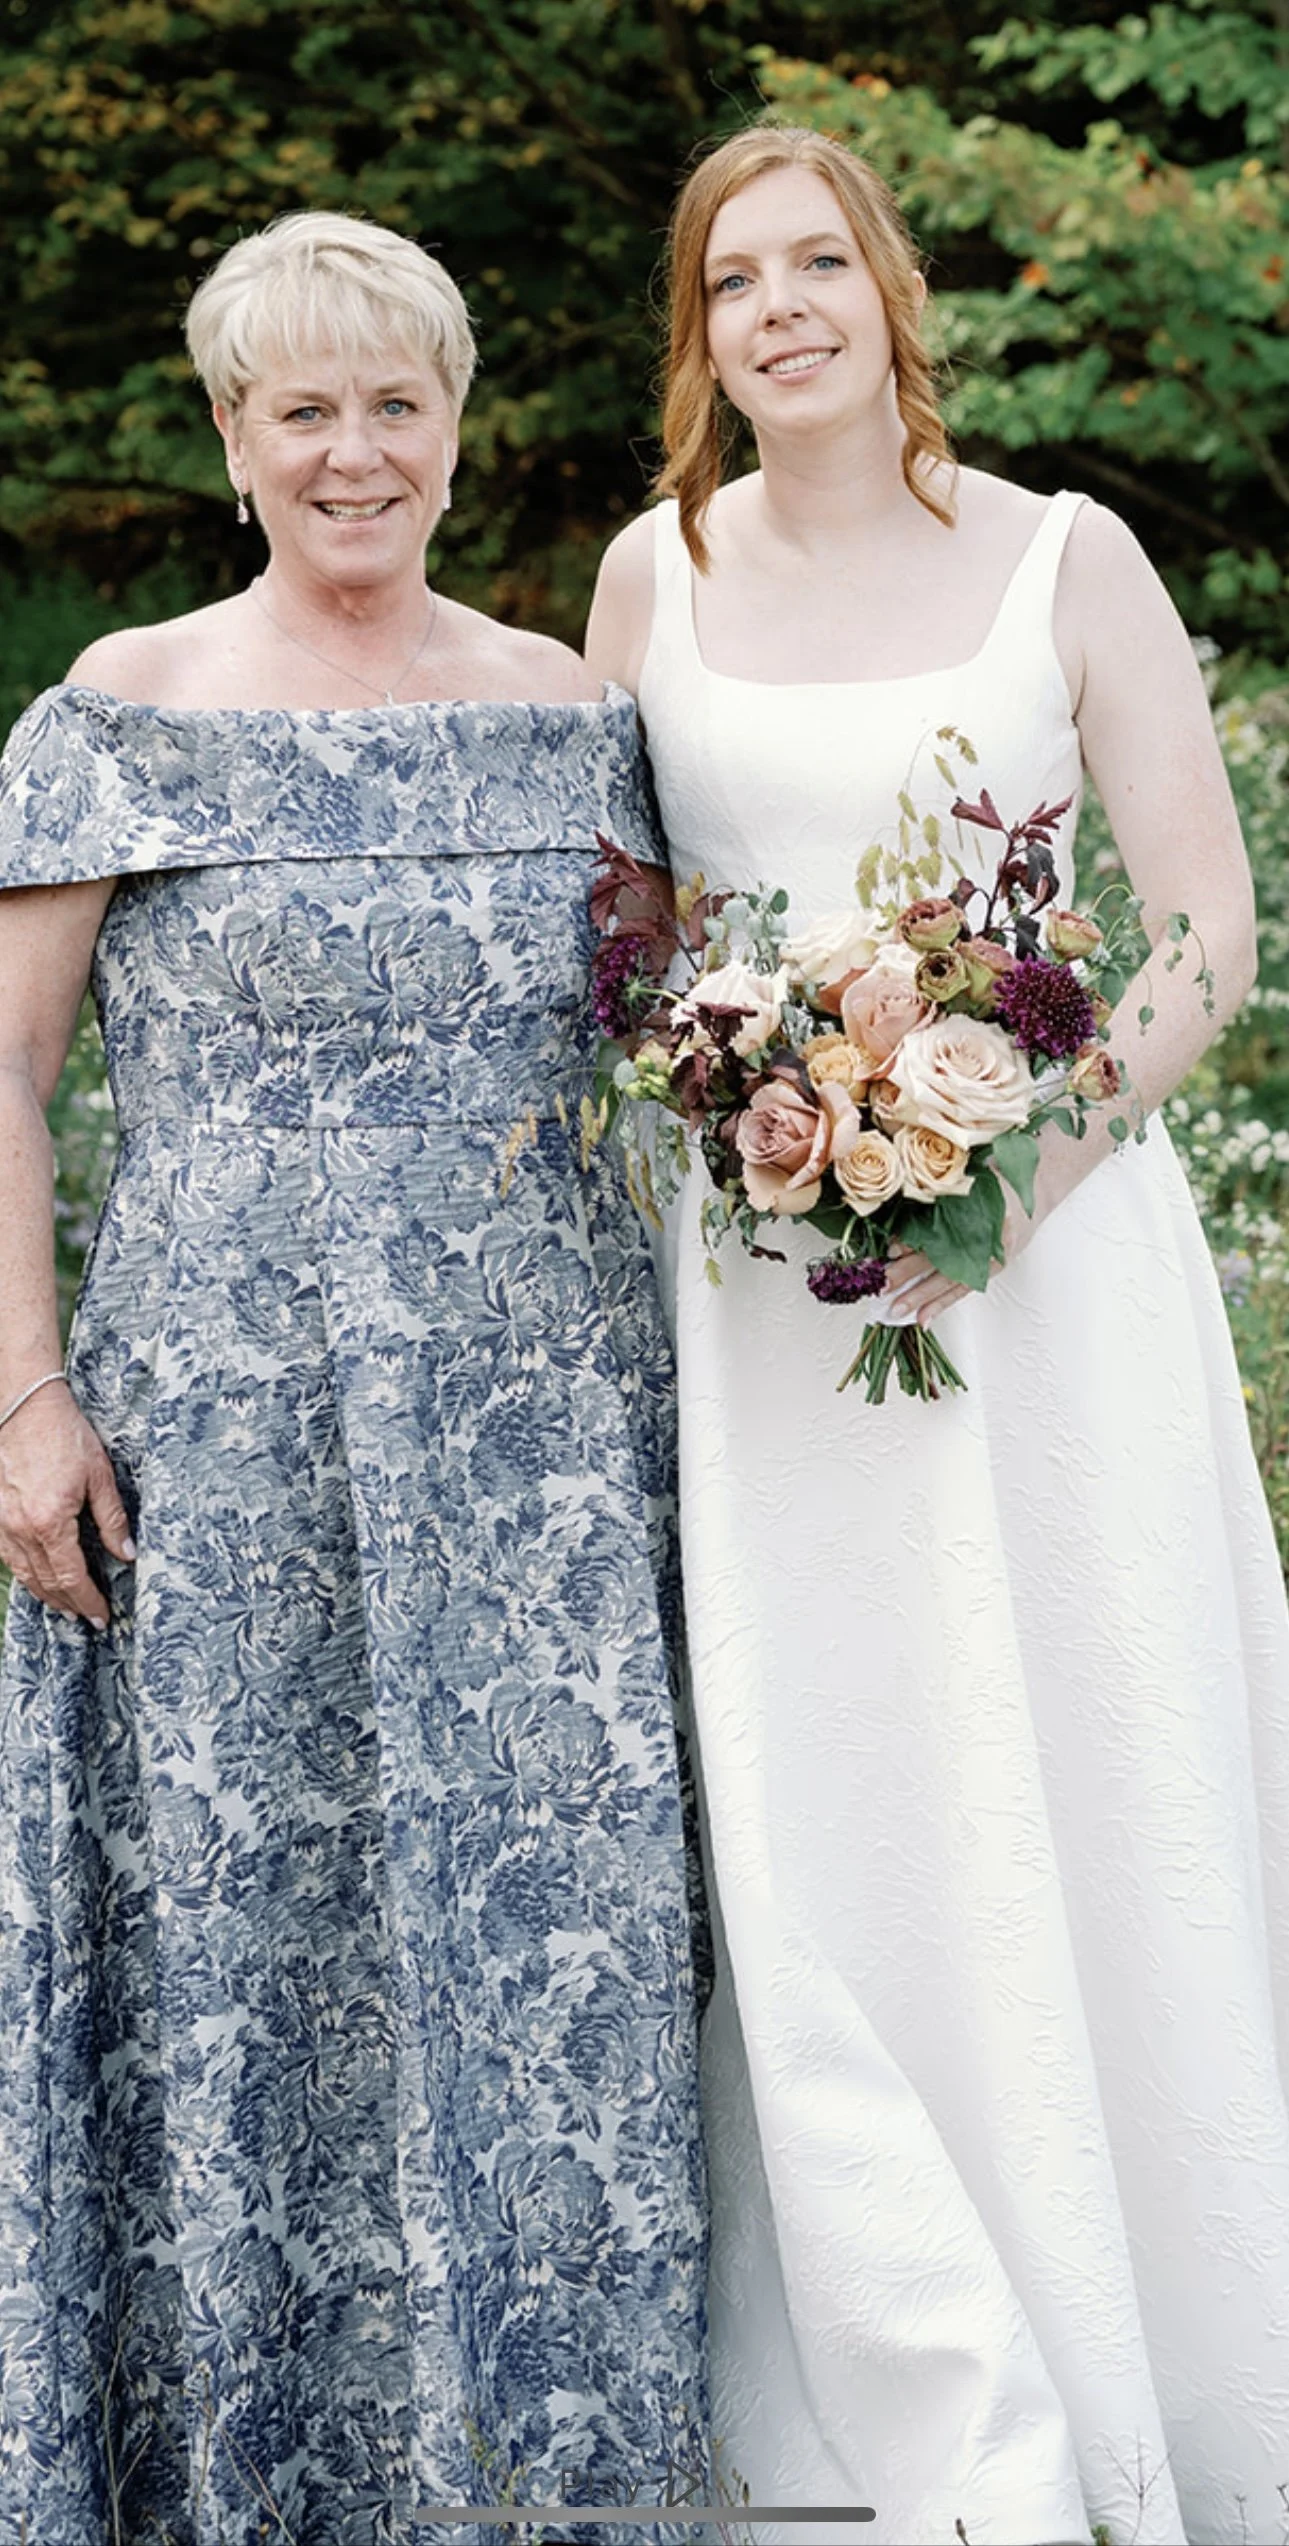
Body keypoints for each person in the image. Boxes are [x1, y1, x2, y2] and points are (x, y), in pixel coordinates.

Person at [586, 123, 1289, 2546]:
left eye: (812, 263)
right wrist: (743, 1090)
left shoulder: (1063, 559)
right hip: (773, 1291)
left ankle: (1155, 2323)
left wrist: (1025, 1164)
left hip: (1045, 1262)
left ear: (886, 295)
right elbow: (622, 934)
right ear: (694, 341)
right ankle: (899, 2322)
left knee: (1085, 1727)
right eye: (725, 280)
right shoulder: (644, 577)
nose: (775, 306)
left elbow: (1200, 924)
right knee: (834, 1752)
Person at [0, 210, 711, 2546]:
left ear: (454, 426)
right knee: (246, 1944)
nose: (352, 449)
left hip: (542, 1447)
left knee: (548, 1936)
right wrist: (23, 1396)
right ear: (231, 438)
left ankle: (554, 2479)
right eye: (300, 406)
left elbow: (682, 1040)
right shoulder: (117, 712)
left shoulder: (568, 709)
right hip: (214, 1435)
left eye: (393, 401)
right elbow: (3, 1077)